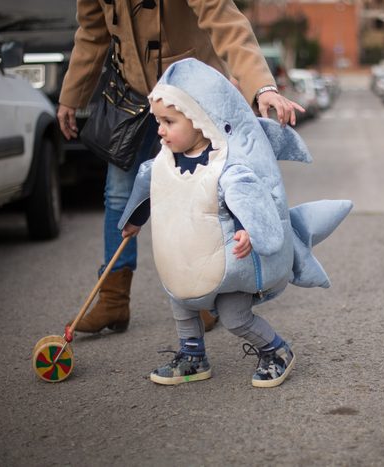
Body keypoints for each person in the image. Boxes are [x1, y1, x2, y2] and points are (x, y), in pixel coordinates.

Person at [57, 0, 304, 334]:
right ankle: (113, 300)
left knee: (200, 193)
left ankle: (207, 292)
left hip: (190, 99)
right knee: (118, 194)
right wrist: (72, 95)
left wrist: (262, 86)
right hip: (130, 98)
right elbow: (92, 31)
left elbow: (225, 20)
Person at [118, 59, 352, 387]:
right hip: (186, 261)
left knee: (235, 317)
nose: (160, 129)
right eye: (158, 120)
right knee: (182, 304)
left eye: (169, 121)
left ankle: (276, 351)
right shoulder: (161, 165)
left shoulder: (228, 171)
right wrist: (134, 221)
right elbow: (147, 187)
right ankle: (192, 357)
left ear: (200, 120)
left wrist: (250, 235)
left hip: (230, 264)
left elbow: (253, 210)